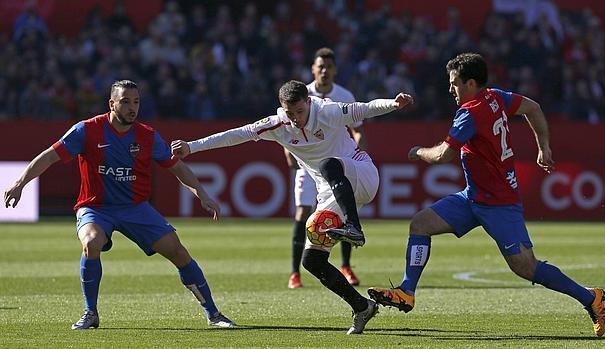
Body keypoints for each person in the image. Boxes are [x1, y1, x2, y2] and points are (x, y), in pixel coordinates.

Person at [367, 53, 605, 337]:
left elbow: (444, 155)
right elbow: (533, 107)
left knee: (525, 267)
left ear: (470, 83)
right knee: (420, 224)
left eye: (454, 83)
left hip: (500, 203)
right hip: (473, 197)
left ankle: (590, 298)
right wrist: (544, 147)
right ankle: (407, 291)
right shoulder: (496, 97)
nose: (450, 89)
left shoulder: (469, 112)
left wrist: (417, 151)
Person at [172, 80, 413, 334]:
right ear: (282, 108)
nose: (296, 119)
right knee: (312, 261)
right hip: (332, 192)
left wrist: (394, 104)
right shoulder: (278, 125)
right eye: (290, 113)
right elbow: (237, 134)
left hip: (362, 174)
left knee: (328, 164)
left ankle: (354, 227)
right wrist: (192, 146)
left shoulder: (327, 111)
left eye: (300, 111)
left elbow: (363, 109)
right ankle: (362, 306)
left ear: (308, 102)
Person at [3, 80, 235, 330]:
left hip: (135, 208)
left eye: (136, 102)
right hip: (95, 207)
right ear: (111, 104)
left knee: (178, 252)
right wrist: (20, 183)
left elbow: (177, 167)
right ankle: (90, 313)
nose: (132, 108)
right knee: (91, 243)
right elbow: (49, 156)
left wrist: (202, 193)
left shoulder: (147, 136)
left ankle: (213, 314)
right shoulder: (86, 130)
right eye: (125, 102)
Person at [287, 47, 367, 289]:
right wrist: (289, 153)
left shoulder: (344, 95)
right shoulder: (302, 93)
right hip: (308, 164)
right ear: (313, 69)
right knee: (302, 214)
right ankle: (294, 273)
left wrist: (354, 153)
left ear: (334, 70)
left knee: (343, 209)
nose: (324, 70)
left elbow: (358, 128)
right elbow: (285, 128)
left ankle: (345, 266)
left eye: (328, 67)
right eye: (320, 66)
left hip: (335, 164)